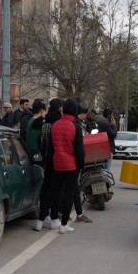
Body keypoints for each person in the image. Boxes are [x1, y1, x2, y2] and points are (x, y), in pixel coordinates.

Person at [49, 99, 85, 234]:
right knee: (69, 195)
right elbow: (80, 151)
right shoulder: (76, 127)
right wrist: (81, 165)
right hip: (71, 166)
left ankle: (54, 218)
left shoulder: (55, 125)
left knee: (56, 193)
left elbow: (51, 148)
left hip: (57, 164)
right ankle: (63, 225)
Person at [34, 98, 63, 231]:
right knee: (56, 190)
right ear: (59, 108)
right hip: (57, 160)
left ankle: (44, 217)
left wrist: (45, 154)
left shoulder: (45, 123)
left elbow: (41, 142)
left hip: (47, 160)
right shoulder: (58, 123)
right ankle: (54, 217)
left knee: (46, 188)